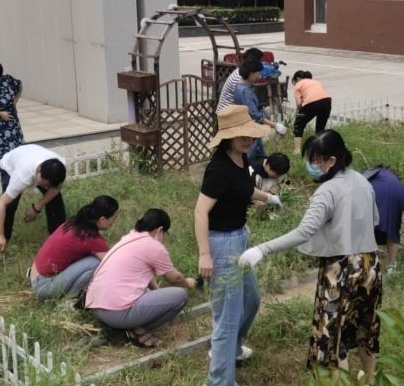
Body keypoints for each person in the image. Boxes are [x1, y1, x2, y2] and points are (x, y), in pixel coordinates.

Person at [239, 130, 381, 383]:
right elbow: (375, 220)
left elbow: (304, 231)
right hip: (371, 265)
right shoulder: (362, 181)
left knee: (333, 336)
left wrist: (262, 249)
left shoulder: (327, 191)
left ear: (331, 161)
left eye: (315, 160)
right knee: (366, 327)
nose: (310, 165)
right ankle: (371, 379)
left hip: (340, 270)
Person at [194, 105, 283, 386]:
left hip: (240, 237)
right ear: (227, 137)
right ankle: (219, 380)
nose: (248, 140)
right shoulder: (219, 168)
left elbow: (244, 188)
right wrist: (205, 254)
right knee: (227, 317)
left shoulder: (241, 158)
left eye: (250, 135)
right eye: (241, 135)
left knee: (251, 299)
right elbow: (200, 211)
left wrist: (268, 198)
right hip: (222, 244)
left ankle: (230, 350)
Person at [85, 209, 198, 348]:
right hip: (116, 313)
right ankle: (133, 330)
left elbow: (143, 274)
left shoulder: (130, 237)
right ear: (160, 230)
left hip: (95, 305)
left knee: (148, 292)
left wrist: (157, 291)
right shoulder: (153, 246)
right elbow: (175, 278)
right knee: (180, 295)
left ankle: (122, 326)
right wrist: (188, 283)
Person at [29, 196, 117, 299]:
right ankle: (71, 298)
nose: (113, 222)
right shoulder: (91, 238)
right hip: (44, 286)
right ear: (102, 219)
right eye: (113, 219)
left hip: (35, 275)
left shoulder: (74, 222)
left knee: (93, 259)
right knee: (95, 262)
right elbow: (112, 264)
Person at [0, 144, 68, 252]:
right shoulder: (22, 176)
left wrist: (37, 207)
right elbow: (2, 203)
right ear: (39, 171)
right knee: (10, 205)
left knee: (55, 199)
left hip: (31, 155)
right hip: (10, 165)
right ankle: (0, 240)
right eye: (45, 185)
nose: (47, 188)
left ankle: (57, 238)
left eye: (49, 186)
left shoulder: (60, 169)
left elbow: (55, 190)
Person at [233, 59, 287, 161]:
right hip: (249, 132)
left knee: (260, 157)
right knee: (249, 158)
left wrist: (263, 111)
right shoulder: (245, 91)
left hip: (249, 130)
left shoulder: (239, 86)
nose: (260, 76)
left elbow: (251, 108)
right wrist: (275, 125)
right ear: (251, 73)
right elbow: (254, 115)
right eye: (258, 73)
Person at [363, 165, 404, 275]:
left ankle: (367, 265)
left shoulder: (370, 172)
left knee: (365, 227)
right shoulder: (394, 179)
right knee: (392, 230)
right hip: (400, 194)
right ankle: (391, 267)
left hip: (377, 193)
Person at [291, 71, 332, 154]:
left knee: (298, 125)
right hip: (326, 101)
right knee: (320, 127)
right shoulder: (315, 82)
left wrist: (299, 112)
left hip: (312, 103)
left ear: (297, 79)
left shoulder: (298, 85)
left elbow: (299, 103)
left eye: (294, 82)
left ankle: (297, 150)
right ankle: (320, 149)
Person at [216, 48, 265, 113]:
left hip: (231, 110)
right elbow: (251, 110)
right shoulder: (240, 79)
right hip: (227, 114)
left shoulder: (242, 72)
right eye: (259, 62)